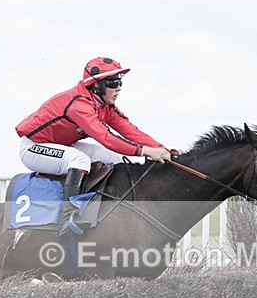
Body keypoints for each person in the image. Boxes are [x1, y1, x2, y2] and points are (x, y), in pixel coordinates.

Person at [15, 56, 172, 235]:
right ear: (97, 85)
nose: (119, 87)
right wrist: (146, 152)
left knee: (115, 159)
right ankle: (69, 218)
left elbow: (129, 130)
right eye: (113, 82)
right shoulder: (79, 104)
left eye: (120, 82)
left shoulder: (105, 105)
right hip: (33, 147)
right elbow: (107, 138)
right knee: (80, 160)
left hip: (64, 145)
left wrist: (161, 148)